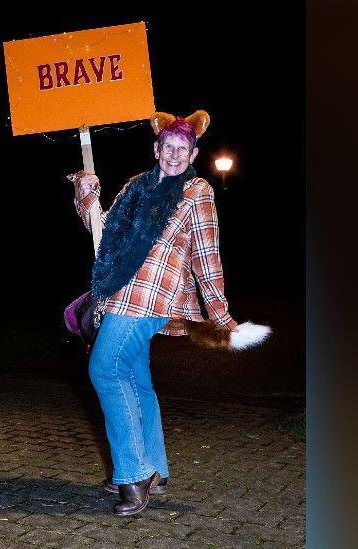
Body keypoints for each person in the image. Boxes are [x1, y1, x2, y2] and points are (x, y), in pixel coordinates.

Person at [72, 110, 240, 516]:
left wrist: (219, 314)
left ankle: (133, 474)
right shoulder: (136, 187)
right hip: (120, 292)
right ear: (156, 148)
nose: (174, 155)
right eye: (168, 147)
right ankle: (156, 469)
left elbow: (206, 254)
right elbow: (105, 229)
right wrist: (86, 195)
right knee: (134, 377)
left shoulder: (196, 191)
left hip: (152, 295)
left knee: (105, 370)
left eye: (183, 149)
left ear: (193, 152)